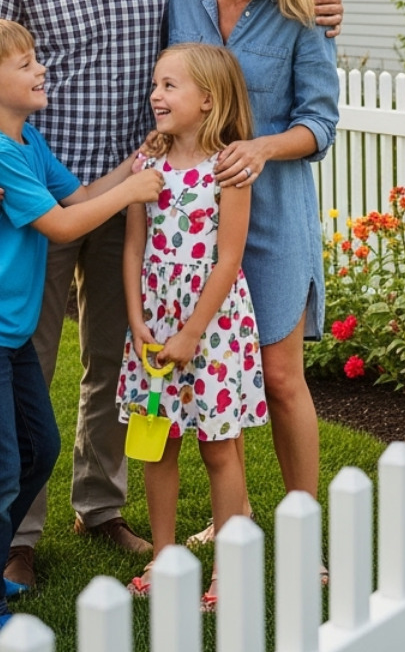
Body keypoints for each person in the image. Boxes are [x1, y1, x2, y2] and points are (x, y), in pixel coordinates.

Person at [0, 0, 342, 591]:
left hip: (147, 202)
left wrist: (319, 0)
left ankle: (102, 505)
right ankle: (19, 531)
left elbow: (272, 33)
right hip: (49, 199)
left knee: (117, 363)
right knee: (32, 356)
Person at [0, 19, 163, 633]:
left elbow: (79, 198)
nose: (40, 69)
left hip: (3, 333)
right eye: (24, 64)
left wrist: (137, 164)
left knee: (41, 449)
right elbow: (60, 227)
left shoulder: (26, 140)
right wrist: (134, 189)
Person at [166, 0, 339, 546]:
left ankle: (303, 531)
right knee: (214, 371)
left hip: (273, 219)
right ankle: (229, 519)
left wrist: (264, 147)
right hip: (192, 223)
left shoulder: (302, 16)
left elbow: (320, 124)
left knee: (279, 376)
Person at [117, 44, 264, 609]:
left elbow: (228, 259)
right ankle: (165, 555)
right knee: (158, 442)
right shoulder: (145, 166)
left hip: (212, 325)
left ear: (208, 99)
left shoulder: (229, 168)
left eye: (170, 85)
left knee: (219, 445)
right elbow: (134, 249)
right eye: (155, 84)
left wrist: (191, 332)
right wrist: (137, 320)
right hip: (154, 322)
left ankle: (229, 568)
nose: (156, 95)